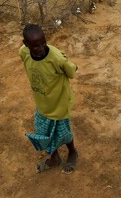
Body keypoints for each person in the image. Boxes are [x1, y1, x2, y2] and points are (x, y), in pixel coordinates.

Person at [20, 24, 79, 174]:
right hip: (42, 104)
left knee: (63, 132)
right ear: (26, 44)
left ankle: (72, 152)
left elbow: (71, 71)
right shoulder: (24, 53)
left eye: (43, 43)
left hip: (59, 103)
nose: (40, 48)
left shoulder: (56, 58)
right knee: (43, 132)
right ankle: (55, 158)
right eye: (35, 46)